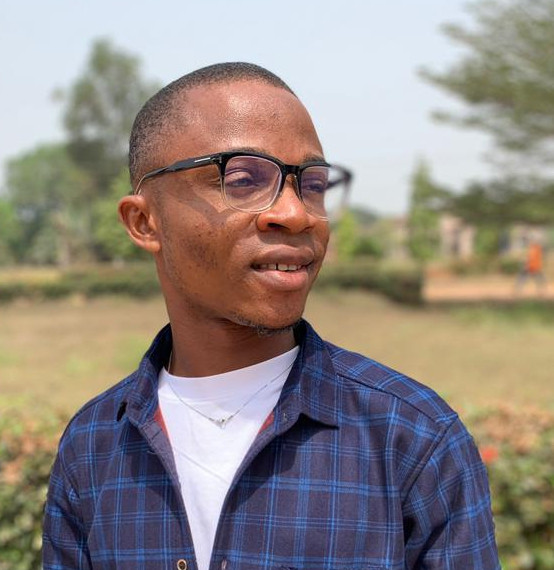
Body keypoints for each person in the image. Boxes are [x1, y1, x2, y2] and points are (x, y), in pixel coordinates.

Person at [43, 62, 500, 570]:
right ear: (144, 221)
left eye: (313, 185)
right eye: (243, 179)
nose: (297, 213)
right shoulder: (92, 446)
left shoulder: (412, 439)